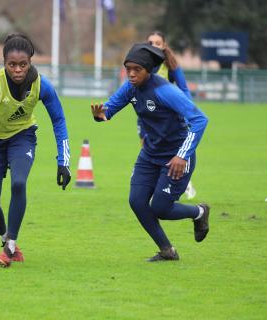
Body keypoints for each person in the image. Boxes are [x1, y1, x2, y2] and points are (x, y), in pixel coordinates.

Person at [91, 43, 210, 262]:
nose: (132, 74)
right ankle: (167, 251)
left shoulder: (164, 91)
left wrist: (182, 155)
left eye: (137, 70)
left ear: (149, 70)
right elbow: (110, 108)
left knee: (160, 208)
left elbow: (200, 120)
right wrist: (101, 115)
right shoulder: (130, 87)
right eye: (129, 69)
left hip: (176, 158)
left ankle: (199, 212)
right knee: (136, 201)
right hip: (149, 155)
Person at [0, 33, 71, 268]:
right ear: (4, 63)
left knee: (19, 183)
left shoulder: (42, 85)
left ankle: (10, 246)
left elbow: (59, 120)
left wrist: (64, 161)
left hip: (22, 137)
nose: (18, 70)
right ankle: (6, 240)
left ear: (30, 62)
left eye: (23, 64)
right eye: (12, 65)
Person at [139, 30, 197, 199]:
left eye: (157, 43)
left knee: (167, 147)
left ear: (164, 45)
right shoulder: (143, 64)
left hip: (165, 117)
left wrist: (189, 112)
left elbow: (184, 88)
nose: (154, 46)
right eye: (150, 43)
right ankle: (151, 183)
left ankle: (182, 181)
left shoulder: (170, 64)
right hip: (146, 115)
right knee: (147, 147)